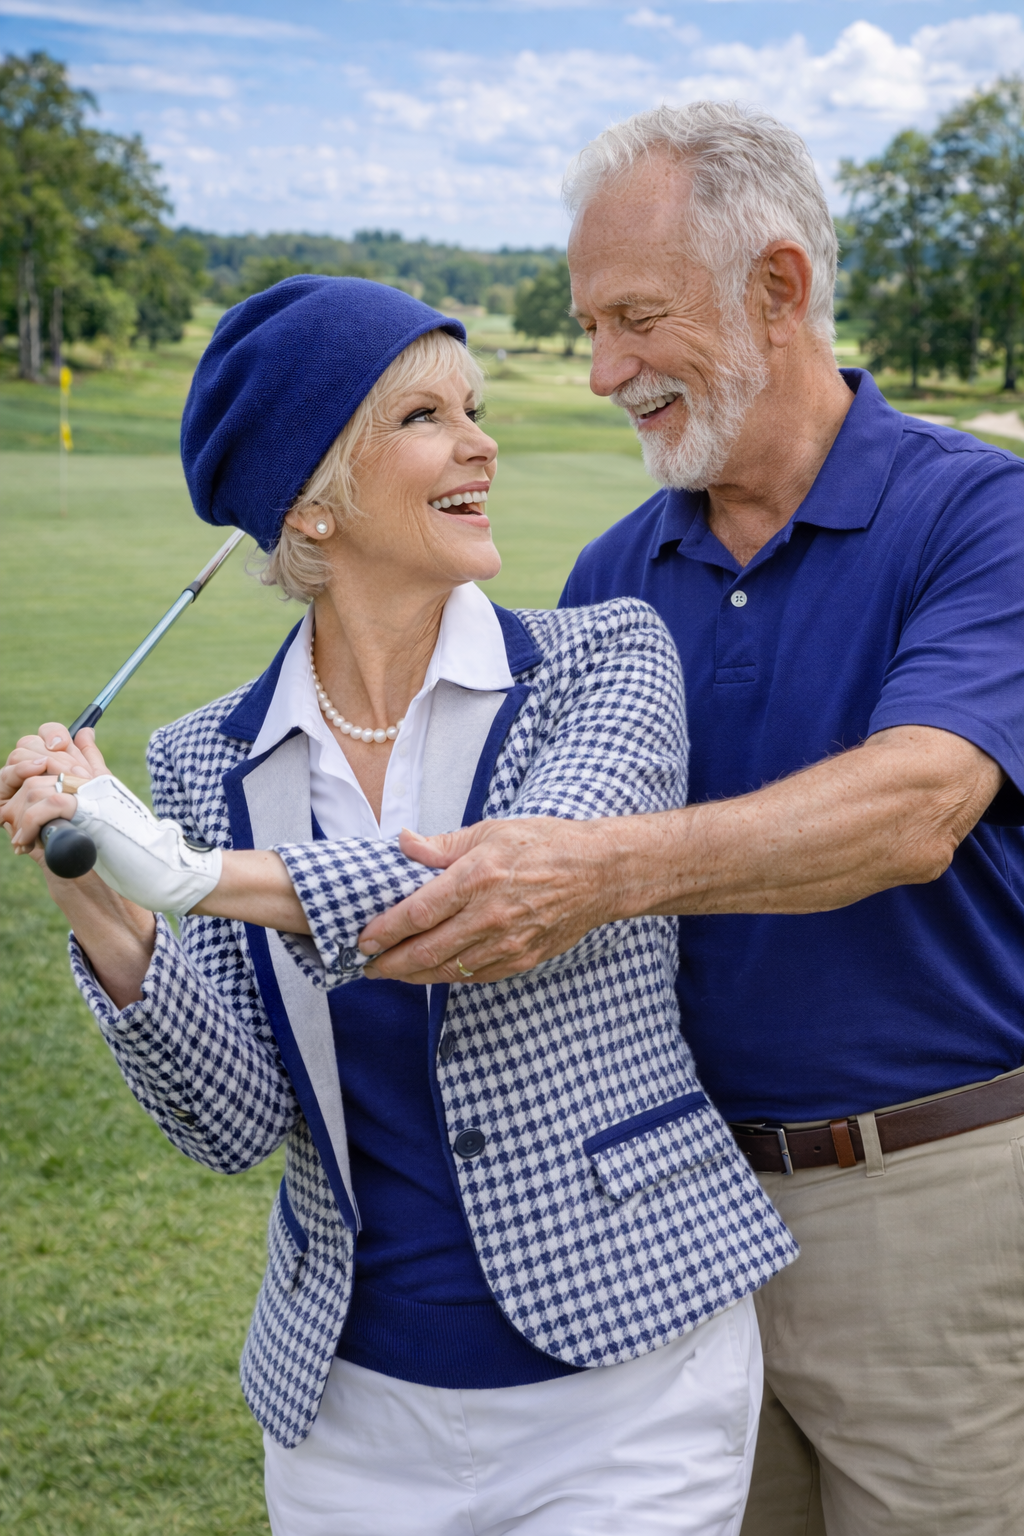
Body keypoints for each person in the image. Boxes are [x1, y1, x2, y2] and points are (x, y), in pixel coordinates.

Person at [0, 275, 796, 1536]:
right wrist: (99, 895)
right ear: (310, 501)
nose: (483, 442)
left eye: (474, 407)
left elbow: (496, 891)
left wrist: (193, 876)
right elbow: (232, 1120)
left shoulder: (607, 662)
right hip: (350, 1417)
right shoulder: (209, 760)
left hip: (630, 1384)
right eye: (426, 417)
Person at [351, 106, 1024, 1536]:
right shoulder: (613, 572)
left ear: (778, 289)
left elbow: (914, 809)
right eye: (590, 327)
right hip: (673, 1220)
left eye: (638, 320)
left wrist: (597, 871)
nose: (603, 373)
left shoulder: (982, 518)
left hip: (936, 1203)